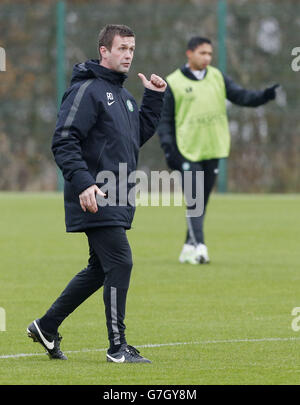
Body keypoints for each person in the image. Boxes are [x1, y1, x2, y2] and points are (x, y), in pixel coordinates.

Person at [26, 24, 166, 363]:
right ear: (104, 50)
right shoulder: (87, 90)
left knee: (100, 268)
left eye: (132, 49)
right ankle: (118, 348)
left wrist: (154, 98)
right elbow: (63, 140)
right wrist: (84, 182)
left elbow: (133, 138)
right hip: (95, 193)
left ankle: (46, 326)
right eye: (122, 48)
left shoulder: (125, 97)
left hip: (117, 196)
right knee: (120, 261)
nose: (128, 55)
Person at [157, 36, 279, 265]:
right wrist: (168, 149)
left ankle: (187, 248)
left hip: (213, 147)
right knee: (195, 200)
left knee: (201, 200)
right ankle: (200, 248)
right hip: (186, 150)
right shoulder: (173, 82)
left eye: (210, 54)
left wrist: (264, 96)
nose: (207, 58)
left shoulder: (217, 77)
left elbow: (242, 96)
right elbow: (164, 120)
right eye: (202, 53)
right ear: (189, 54)